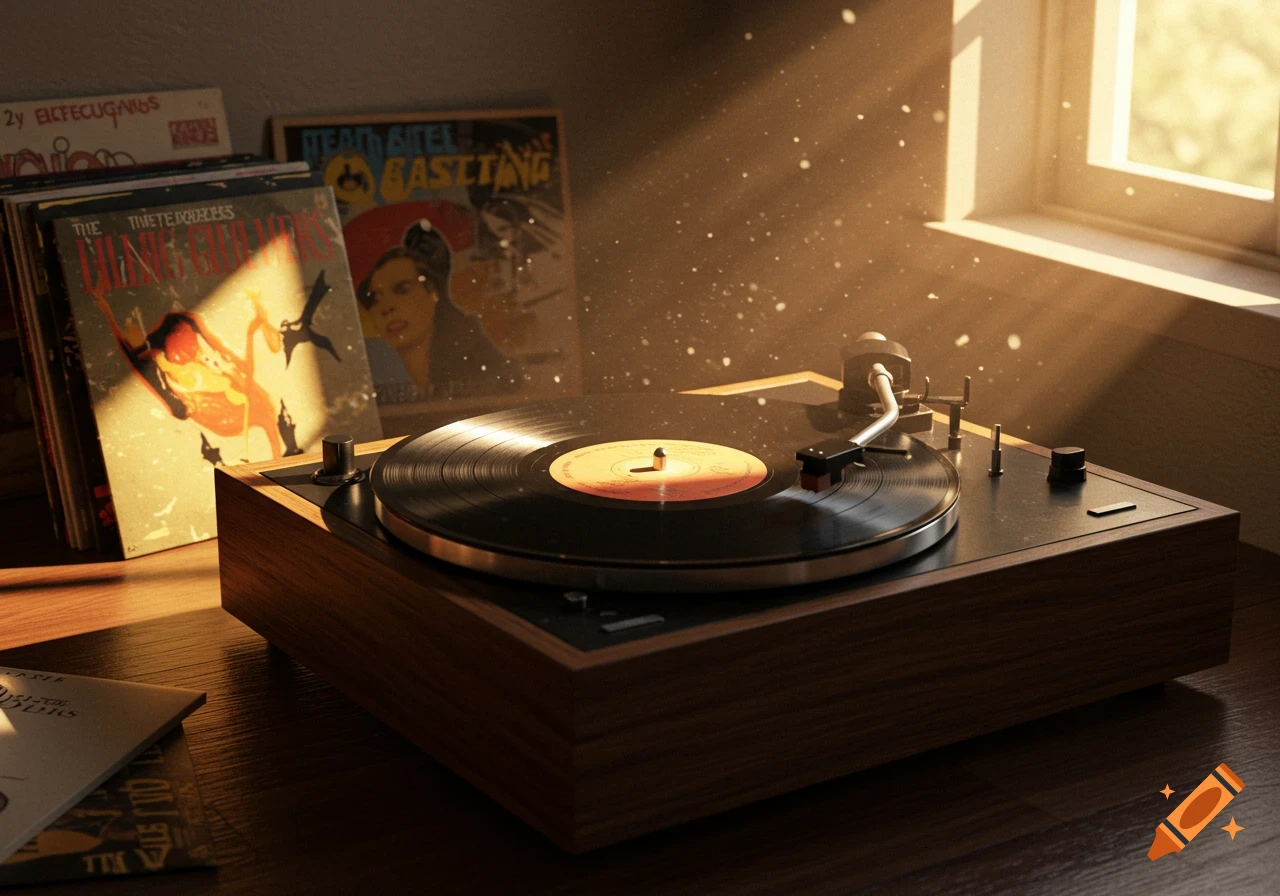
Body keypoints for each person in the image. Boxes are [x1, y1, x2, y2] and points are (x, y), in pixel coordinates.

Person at [355, 219, 519, 399]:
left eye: (402, 290)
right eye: (375, 298)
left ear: (433, 292)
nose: (386, 307)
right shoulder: (369, 379)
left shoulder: (476, 357)